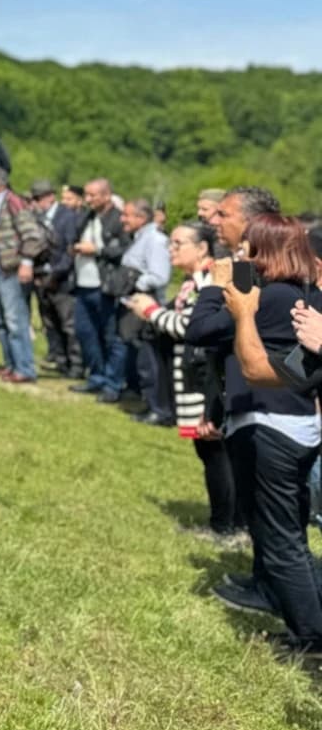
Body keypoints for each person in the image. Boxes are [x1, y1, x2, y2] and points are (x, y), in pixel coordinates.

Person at [189, 212, 322, 658]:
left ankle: (312, 638)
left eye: (248, 247)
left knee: (283, 541)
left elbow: (211, 336)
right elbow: (282, 371)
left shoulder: (280, 299)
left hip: (274, 429)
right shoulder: (305, 301)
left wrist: (228, 297)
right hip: (297, 425)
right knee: (289, 537)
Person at [127, 222, 237, 537]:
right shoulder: (194, 280)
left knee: (215, 451)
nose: (170, 249)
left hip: (206, 379)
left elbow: (192, 328)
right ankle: (224, 521)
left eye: (178, 243)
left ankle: (225, 525)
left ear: (202, 248)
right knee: (208, 451)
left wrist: (150, 311)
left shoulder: (209, 281)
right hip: (193, 375)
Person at [0, 167, 46, 384]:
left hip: (9, 269)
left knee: (16, 321)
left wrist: (26, 262)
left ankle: (25, 368)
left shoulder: (13, 202)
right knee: (1, 321)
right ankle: (11, 365)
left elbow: (32, 235)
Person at [69, 179, 130, 401]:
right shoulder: (87, 216)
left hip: (106, 285)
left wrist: (98, 250)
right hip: (82, 283)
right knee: (86, 333)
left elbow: (126, 250)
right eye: (86, 195)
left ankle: (113, 384)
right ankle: (96, 377)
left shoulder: (118, 218)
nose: (88, 200)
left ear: (106, 195)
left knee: (111, 336)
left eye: (93, 195)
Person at [114, 198, 172, 421]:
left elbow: (160, 275)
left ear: (141, 217)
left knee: (149, 357)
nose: (123, 219)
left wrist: (137, 284)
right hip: (133, 305)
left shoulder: (155, 240)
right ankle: (143, 398)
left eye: (127, 215)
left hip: (147, 306)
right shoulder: (140, 238)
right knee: (137, 354)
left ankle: (157, 409)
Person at [32, 181, 82, 376]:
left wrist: (56, 273)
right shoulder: (37, 217)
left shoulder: (67, 217)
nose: (37, 203)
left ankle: (76, 363)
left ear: (50, 197)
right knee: (50, 322)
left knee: (68, 323)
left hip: (62, 278)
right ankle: (59, 359)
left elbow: (70, 249)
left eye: (39, 198)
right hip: (41, 276)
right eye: (35, 199)